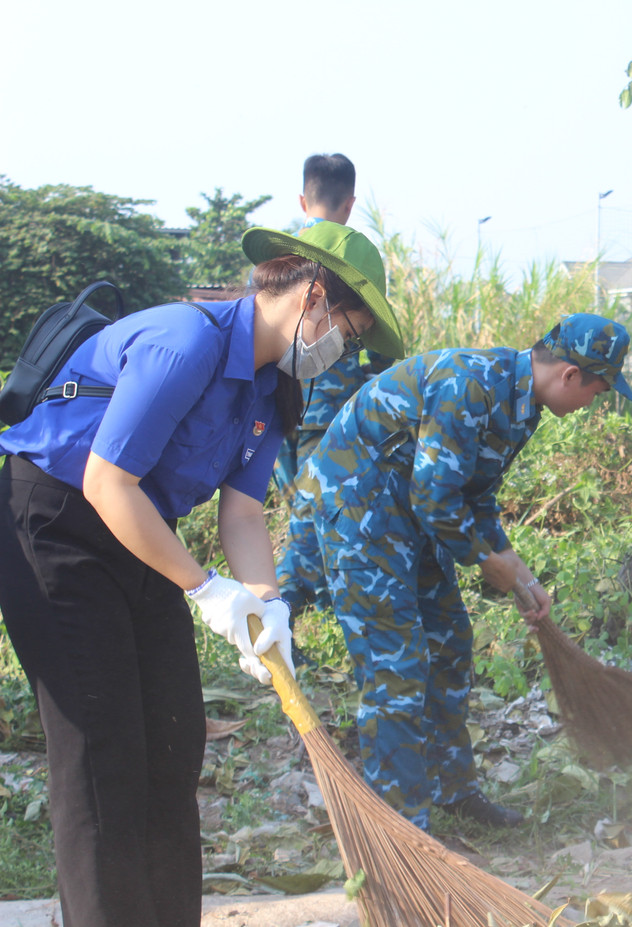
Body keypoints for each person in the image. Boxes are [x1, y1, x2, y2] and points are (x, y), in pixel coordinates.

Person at [0, 222, 402, 927]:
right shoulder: (187, 343)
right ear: (313, 295)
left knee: (173, 739)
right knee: (103, 753)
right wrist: (206, 589)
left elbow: (243, 515)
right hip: (56, 522)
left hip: (139, 536)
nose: (343, 347)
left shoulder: (274, 393)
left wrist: (265, 605)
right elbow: (107, 480)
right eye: (348, 327)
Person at [297, 314, 632, 833]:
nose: (595, 403)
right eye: (599, 390)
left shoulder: (524, 405)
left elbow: (472, 494)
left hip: (410, 512)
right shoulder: (470, 382)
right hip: (361, 505)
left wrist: (515, 567)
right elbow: (434, 496)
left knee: (450, 644)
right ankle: (401, 825)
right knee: (397, 665)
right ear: (571, 375)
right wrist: (484, 560)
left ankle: (452, 791)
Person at [274, 154, 391, 625]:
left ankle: (303, 602)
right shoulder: (355, 262)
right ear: (350, 204)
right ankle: (295, 601)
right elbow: (380, 347)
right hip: (331, 409)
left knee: (298, 502)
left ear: (303, 198)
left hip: (277, 403)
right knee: (320, 505)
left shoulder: (276, 257)